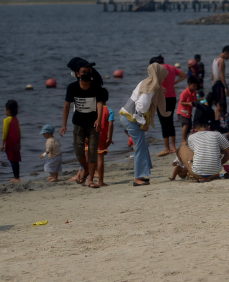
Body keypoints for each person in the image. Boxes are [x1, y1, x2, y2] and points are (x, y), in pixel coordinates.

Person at [119, 62, 169, 186]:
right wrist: (144, 123)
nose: (164, 79)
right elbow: (140, 107)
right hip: (131, 118)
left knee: (143, 146)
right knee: (140, 147)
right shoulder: (149, 88)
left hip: (128, 116)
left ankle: (142, 174)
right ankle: (137, 178)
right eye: (163, 77)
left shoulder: (146, 82)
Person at [62, 57, 108, 187]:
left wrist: (98, 119)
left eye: (89, 71)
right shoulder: (72, 87)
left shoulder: (95, 86)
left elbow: (100, 103)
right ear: (77, 74)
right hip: (78, 123)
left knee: (93, 152)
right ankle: (85, 168)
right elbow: (67, 105)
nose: (87, 73)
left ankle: (90, 180)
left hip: (93, 124)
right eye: (84, 71)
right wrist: (64, 125)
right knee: (78, 150)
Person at [150, 55, 187, 157]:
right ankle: (173, 147)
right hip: (172, 97)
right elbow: (184, 75)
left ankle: (167, 148)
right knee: (170, 121)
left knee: (163, 123)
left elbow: (153, 81)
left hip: (161, 98)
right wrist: (174, 83)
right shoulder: (172, 68)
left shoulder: (157, 69)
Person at [1, 100, 21, 183]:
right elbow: (19, 132)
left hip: (10, 143)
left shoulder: (6, 120)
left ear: (8, 110)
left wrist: (2, 144)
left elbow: (5, 133)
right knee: (16, 160)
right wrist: (19, 143)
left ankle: (16, 178)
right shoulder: (16, 119)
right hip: (16, 142)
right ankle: (17, 177)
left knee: (12, 160)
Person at [94, 105, 114, 187]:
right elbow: (111, 125)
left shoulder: (92, 108)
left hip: (90, 134)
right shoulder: (109, 110)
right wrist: (110, 138)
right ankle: (100, 181)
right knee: (100, 160)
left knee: (89, 157)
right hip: (101, 136)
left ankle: (87, 179)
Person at [177, 76, 199, 145]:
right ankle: (183, 140)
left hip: (188, 112)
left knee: (189, 126)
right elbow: (181, 102)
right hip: (182, 111)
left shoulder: (194, 93)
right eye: (194, 86)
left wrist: (202, 101)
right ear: (189, 84)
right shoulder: (184, 92)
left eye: (196, 86)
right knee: (186, 124)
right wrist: (189, 103)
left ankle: (186, 139)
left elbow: (196, 100)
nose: (195, 87)